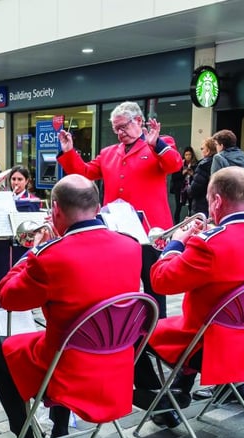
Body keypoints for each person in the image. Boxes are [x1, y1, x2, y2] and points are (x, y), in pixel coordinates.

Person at [0, 174, 142, 438]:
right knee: (66, 338)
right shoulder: (131, 246)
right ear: (97, 206)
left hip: (67, 372)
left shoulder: (49, 257)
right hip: (117, 366)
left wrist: (33, 250)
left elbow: (8, 297)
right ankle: (61, 437)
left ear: (55, 209)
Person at [133, 167, 244, 428]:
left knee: (132, 331)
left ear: (216, 200)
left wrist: (176, 244)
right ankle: (178, 389)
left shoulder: (208, 244)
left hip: (208, 346)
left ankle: (162, 403)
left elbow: (161, 280)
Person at [57, 101, 182, 318]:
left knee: (154, 285)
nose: (120, 133)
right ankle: (125, 331)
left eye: (123, 126)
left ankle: (156, 336)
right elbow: (85, 172)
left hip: (150, 230)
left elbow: (174, 165)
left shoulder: (158, 144)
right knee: (120, 286)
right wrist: (69, 152)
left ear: (139, 121)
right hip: (117, 231)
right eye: (116, 129)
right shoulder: (108, 153)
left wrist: (157, 145)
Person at [188, 137, 215, 216]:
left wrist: (188, 189)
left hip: (202, 206)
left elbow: (194, 189)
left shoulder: (203, 165)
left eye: (202, 148)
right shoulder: (221, 162)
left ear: (208, 150)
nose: (202, 150)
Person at [170, 146, 197, 222]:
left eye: (189, 155)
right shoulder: (180, 164)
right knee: (178, 207)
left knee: (191, 207)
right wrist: (183, 173)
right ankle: (176, 224)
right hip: (180, 189)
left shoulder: (195, 164)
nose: (188, 156)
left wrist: (192, 174)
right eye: (186, 155)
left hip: (190, 188)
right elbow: (174, 177)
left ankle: (190, 223)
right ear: (184, 155)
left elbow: (197, 177)